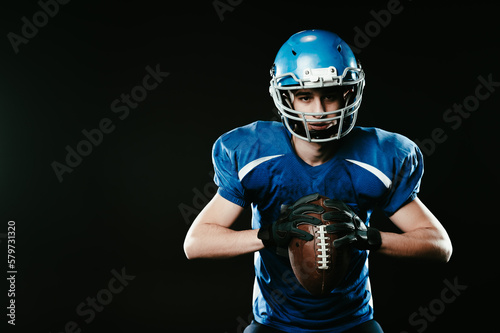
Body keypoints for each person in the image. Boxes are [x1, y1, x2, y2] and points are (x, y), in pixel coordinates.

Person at [183, 29, 452, 333]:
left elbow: (439, 246)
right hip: (274, 324)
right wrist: (268, 235)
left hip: (353, 321)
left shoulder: (381, 155)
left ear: (348, 94)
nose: (319, 111)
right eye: (305, 97)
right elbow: (196, 243)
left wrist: (368, 237)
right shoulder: (253, 153)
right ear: (286, 98)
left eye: (330, 96)